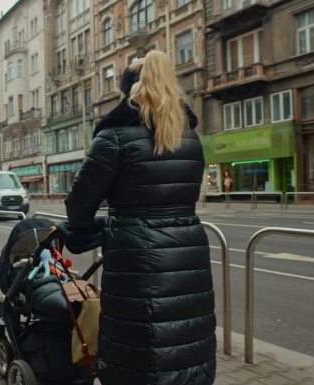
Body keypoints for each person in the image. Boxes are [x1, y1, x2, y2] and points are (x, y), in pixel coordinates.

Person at [63, 51, 216, 385]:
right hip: (188, 255)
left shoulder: (115, 137)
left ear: (128, 91)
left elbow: (78, 204)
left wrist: (87, 230)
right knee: (187, 338)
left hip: (136, 259)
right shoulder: (190, 138)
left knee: (138, 349)